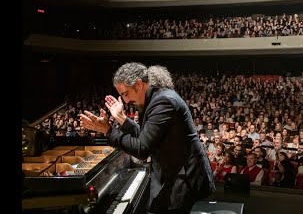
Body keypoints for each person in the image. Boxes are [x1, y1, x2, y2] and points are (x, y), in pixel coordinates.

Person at [80, 62, 215, 214]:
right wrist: (122, 119)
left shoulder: (162, 102)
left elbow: (142, 149)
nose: (125, 101)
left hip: (184, 178)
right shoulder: (156, 98)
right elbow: (147, 138)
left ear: (139, 85)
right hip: (175, 172)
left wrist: (108, 130)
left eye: (126, 94)